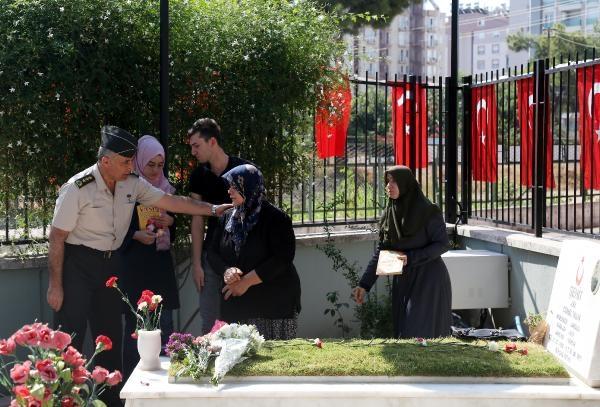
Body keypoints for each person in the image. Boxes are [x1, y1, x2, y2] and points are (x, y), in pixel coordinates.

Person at [47, 126, 231, 406]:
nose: (131, 166)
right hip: (77, 266)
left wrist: (213, 209)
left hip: (110, 266)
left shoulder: (131, 182)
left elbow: (170, 201)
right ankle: (61, 400)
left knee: (108, 340)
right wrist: (55, 285)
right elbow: (57, 237)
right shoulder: (78, 187)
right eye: (125, 162)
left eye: (132, 161)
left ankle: (110, 401)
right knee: (68, 338)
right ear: (105, 161)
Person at [352, 165, 452, 339]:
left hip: (429, 279)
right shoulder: (391, 214)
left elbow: (442, 244)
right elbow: (383, 251)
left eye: (394, 181)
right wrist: (364, 284)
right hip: (405, 280)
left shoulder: (428, 211)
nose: (388, 186)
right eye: (387, 181)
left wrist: (411, 257)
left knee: (420, 332)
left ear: (406, 185)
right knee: (405, 332)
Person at [206, 164, 301, 340]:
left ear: (249, 187)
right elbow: (212, 252)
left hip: (273, 305)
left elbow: (282, 258)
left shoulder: (276, 218)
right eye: (230, 186)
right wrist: (226, 271)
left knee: (274, 362)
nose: (229, 191)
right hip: (238, 306)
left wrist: (246, 282)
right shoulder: (227, 218)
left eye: (235, 187)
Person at [119, 135, 180, 380]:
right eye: (150, 164)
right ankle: (134, 386)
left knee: (164, 327)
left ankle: (167, 382)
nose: (155, 170)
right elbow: (114, 230)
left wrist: (171, 221)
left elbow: (170, 233)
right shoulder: (126, 189)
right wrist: (135, 235)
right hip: (135, 270)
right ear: (139, 162)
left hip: (160, 269)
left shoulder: (165, 188)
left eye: (159, 165)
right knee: (137, 331)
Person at [187, 118, 251, 334]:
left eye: (197, 146)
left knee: (240, 321)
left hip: (239, 255)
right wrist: (197, 264)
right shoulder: (198, 175)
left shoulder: (243, 169)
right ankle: (207, 366)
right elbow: (197, 219)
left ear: (212, 141)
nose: (193, 152)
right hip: (211, 256)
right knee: (209, 323)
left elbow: (255, 212)